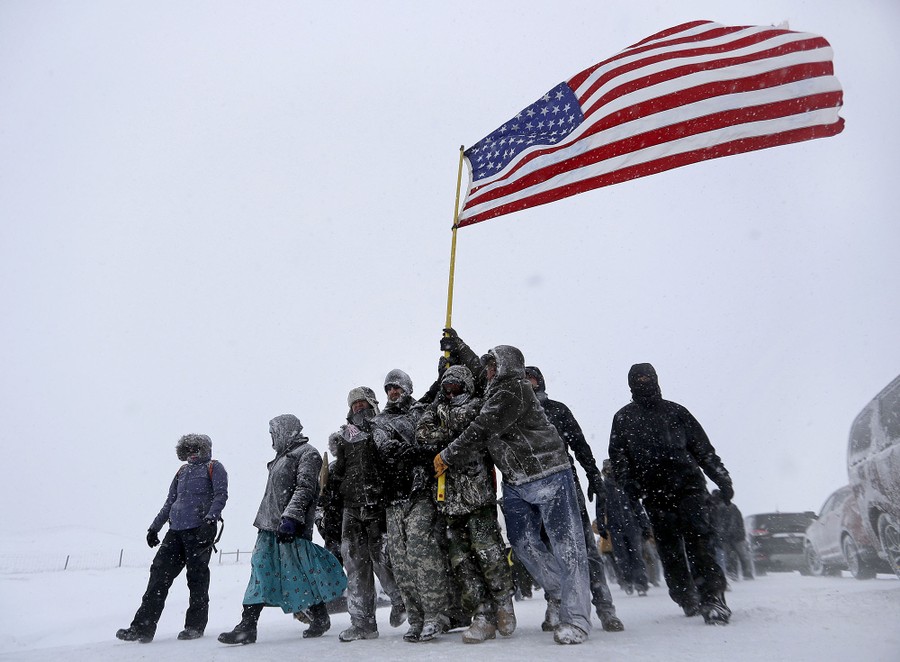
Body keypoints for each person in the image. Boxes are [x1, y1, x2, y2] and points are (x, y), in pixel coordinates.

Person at [435, 336, 592, 645]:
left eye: (493, 365)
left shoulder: (513, 390)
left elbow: (482, 429)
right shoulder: (493, 387)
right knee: (522, 545)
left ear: (506, 367)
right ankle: (559, 591)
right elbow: (478, 375)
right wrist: (457, 345)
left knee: (568, 547)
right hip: (516, 482)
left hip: (549, 473)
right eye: (487, 366)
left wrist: (447, 455)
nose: (487, 371)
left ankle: (577, 619)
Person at [608, 363, 733, 625]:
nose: (643, 382)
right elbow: (618, 457)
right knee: (669, 550)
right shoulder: (623, 418)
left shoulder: (677, 412)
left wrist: (721, 477)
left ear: (656, 379)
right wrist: (628, 484)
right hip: (654, 495)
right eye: (637, 378)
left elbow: (703, 449)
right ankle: (685, 596)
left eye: (647, 377)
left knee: (701, 541)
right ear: (630, 383)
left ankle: (713, 597)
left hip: (689, 488)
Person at [218, 415, 346, 645]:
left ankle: (319, 615)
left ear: (285, 431)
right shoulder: (281, 458)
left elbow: (306, 487)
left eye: (273, 434)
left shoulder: (308, 453)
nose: (271, 440)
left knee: (299, 572)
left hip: (290, 527)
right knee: (260, 569)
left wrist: (291, 517)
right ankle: (248, 625)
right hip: (268, 526)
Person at [417, 364, 516, 643]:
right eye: (446, 387)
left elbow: (470, 433)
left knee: (489, 553)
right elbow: (422, 434)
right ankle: (482, 613)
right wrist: (436, 402)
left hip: (477, 496)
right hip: (448, 501)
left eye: (455, 386)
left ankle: (503, 602)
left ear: (468, 386)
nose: (450, 392)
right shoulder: (438, 410)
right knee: (461, 561)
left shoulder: (477, 407)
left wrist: (445, 435)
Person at [524, 366, 624, 632]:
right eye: (523, 379)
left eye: (531, 378)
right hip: (532, 488)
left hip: (565, 482)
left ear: (540, 381)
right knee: (548, 547)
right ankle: (556, 603)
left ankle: (604, 605)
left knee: (584, 547)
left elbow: (580, 444)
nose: (528, 383)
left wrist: (593, 475)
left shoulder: (558, 409)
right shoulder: (516, 413)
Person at [116, 434, 228, 643]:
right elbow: (170, 502)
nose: (192, 453)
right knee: (158, 576)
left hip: (200, 530)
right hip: (175, 532)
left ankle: (194, 627)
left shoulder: (214, 467)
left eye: (196, 448)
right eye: (188, 449)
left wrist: (210, 520)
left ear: (205, 449)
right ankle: (142, 628)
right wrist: (154, 528)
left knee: (197, 579)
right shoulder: (182, 471)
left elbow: (221, 495)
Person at [372, 369, 449, 642]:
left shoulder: (421, 412)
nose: (393, 392)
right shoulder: (379, 421)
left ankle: (435, 615)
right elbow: (383, 446)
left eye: (397, 387)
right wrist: (398, 451)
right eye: (388, 388)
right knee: (401, 561)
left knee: (421, 550)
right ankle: (415, 619)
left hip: (421, 492)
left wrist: (418, 454)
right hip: (394, 498)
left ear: (407, 387)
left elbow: (433, 439)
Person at [329, 387, 405, 642]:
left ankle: (400, 601)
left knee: (382, 556)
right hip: (351, 506)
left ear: (372, 404)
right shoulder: (345, 436)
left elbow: (391, 461)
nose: (358, 408)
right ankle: (362, 622)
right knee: (353, 561)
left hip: (377, 502)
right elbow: (339, 471)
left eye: (362, 403)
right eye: (354, 405)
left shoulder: (382, 427)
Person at [598, 458, 650, 596]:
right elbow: (600, 509)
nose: (611, 471)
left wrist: (644, 524)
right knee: (622, 557)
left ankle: (640, 584)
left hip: (632, 526)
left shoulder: (626, 484)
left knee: (636, 556)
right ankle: (627, 582)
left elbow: (637, 506)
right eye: (608, 468)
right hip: (615, 528)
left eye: (613, 467)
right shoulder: (603, 488)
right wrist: (601, 526)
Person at [709, 490, 754, 581]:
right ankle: (746, 574)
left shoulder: (718, 508)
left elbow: (719, 523)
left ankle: (733, 574)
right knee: (741, 556)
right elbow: (737, 522)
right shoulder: (730, 507)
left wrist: (721, 534)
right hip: (736, 536)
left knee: (730, 556)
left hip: (729, 536)